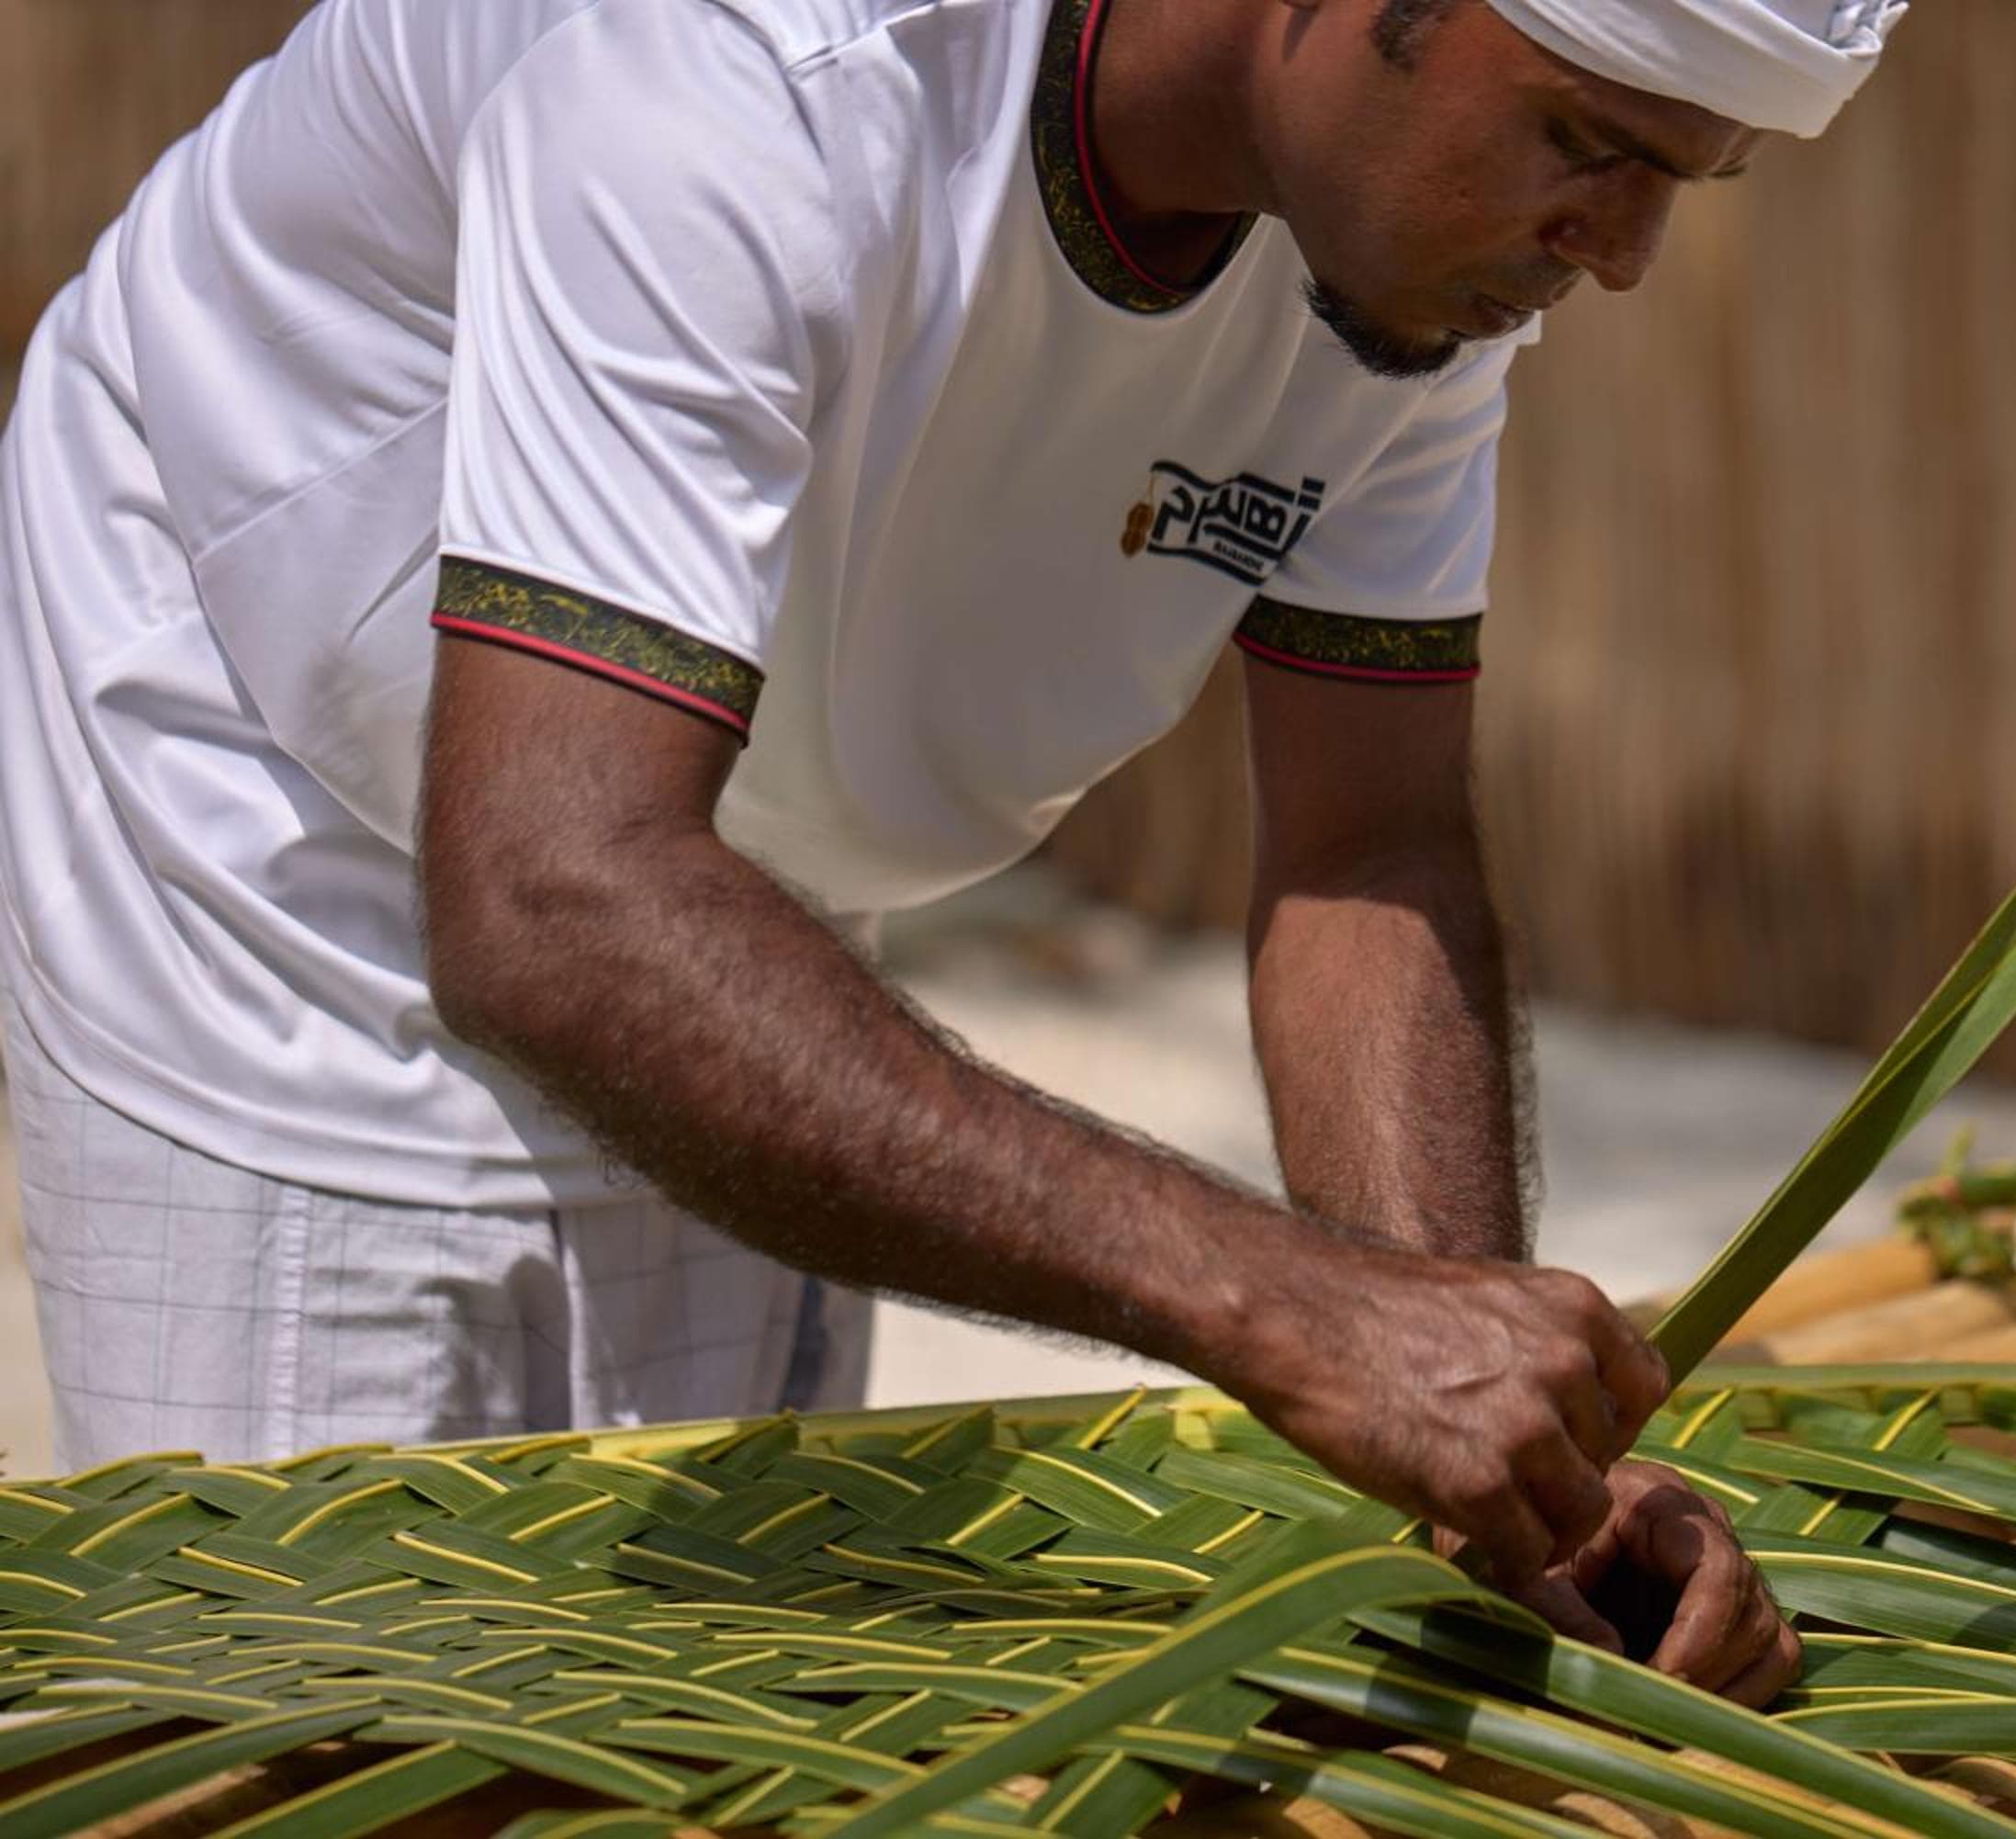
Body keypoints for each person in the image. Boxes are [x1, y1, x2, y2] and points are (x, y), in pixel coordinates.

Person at [0, 0, 1898, 1704]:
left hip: (706, 821)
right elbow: (551, 903)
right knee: (337, 1696)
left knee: (692, 1694)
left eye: (1684, 180)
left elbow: (1368, 854)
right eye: (1589, 141)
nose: (1624, 256)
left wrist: (1506, 1444)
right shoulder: (741, 78)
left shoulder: (1403, 259)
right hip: (281, 796)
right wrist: (1281, 1300)